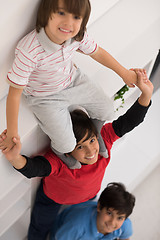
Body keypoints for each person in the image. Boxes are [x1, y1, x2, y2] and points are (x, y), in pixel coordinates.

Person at [0, 71, 153, 240]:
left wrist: (146, 93)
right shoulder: (60, 161)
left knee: (82, 222)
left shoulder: (103, 140)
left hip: (87, 197)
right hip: (52, 199)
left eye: (92, 140)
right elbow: (34, 168)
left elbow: (129, 121)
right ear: (68, 150)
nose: (91, 151)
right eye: (80, 146)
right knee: (39, 229)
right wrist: (14, 157)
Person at [0, 0, 141, 169]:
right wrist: (13, 133)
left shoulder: (76, 36)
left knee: (107, 110)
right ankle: (61, 152)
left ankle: (96, 134)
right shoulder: (29, 51)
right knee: (66, 145)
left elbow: (98, 53)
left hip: (74, 80)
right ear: (46, 14)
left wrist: (124, 73)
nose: (68, 23)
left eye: (76, 17)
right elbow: (14, 95)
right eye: (61, 13)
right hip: (45, 97)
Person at [50, 182, 135, 240]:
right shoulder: (76, 226)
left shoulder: (125, 225)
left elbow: (125, 238)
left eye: (119, 218)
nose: (112, 222)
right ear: (99, 207)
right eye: (109, 213)